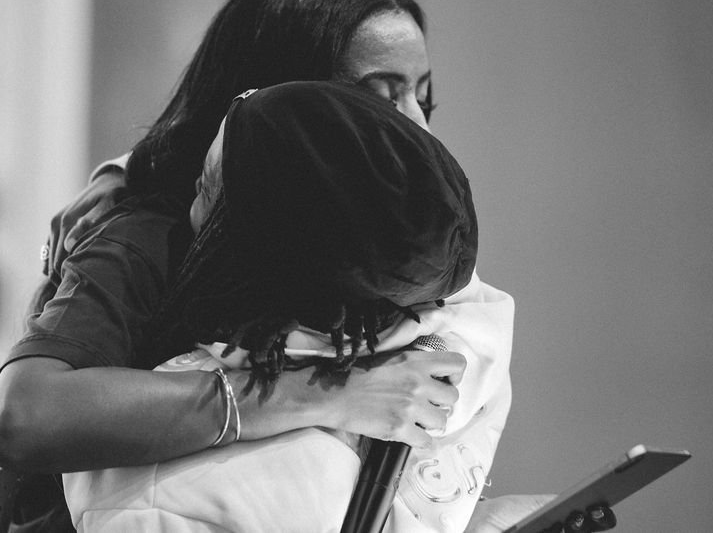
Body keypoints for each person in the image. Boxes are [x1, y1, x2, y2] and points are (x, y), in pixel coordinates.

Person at [0, 0, 612, 533]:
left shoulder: (386, 250)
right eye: (381, 94)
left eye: (423, 96)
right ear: (277, 96)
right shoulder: (154, 234)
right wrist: (322, 390)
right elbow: (27, 418)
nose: (416, 127)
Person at [63, 80, 487, 530]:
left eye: (206, 190)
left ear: (243, 254)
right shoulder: (456, 335)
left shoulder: (155, 484)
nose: (187, 206)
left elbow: (29, 423)